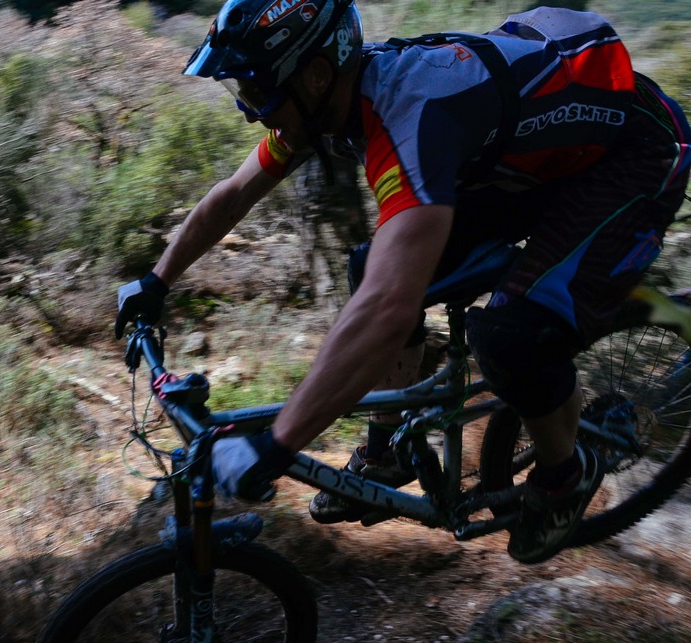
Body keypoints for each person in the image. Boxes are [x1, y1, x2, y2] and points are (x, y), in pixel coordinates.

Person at [114, 0, 690, 564]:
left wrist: (277, 444)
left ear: (316, 75)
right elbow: (235, 193)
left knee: (511, 337)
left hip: (631, 155)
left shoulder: (412, 118)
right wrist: (155, 282)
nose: (250, 112)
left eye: (256, 92)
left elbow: (388, 312)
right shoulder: (324, 106)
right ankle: (386, 452)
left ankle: (566, 476)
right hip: (535, 163)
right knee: (372, 267)